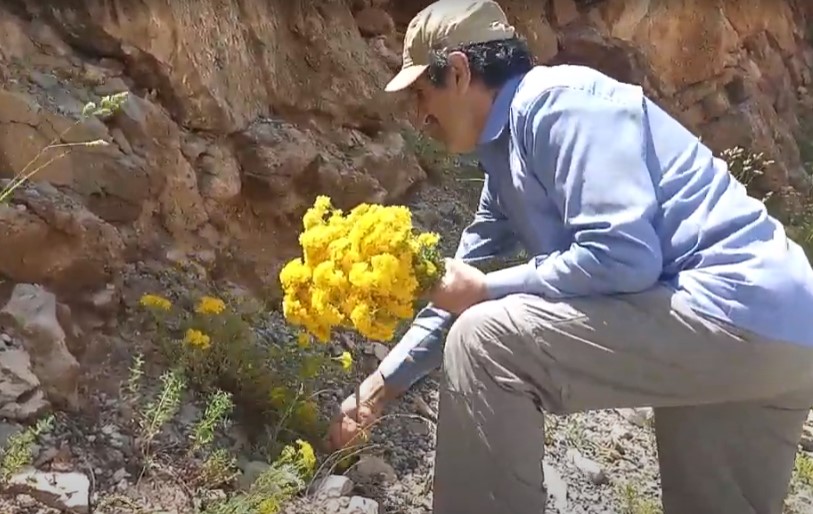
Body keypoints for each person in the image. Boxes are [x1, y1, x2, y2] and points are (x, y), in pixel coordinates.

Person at [326, 1, 813, 513]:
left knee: (485, 340)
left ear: (461, 72)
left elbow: (624, 258)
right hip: (782, 331)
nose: (419, 115)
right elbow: (454, 284)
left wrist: (488, 290)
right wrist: (382, 387)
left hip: (727, 306)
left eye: (423, 93)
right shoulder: (507, 154)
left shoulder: (557, 104)